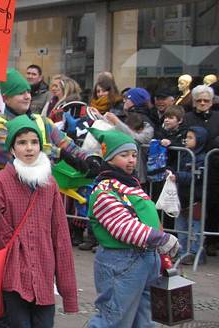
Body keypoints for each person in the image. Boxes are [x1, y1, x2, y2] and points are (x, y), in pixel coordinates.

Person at [0, 115, 78, 327]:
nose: (29, 148)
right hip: (11, 276)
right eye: (22, 143)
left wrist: (68, 292)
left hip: (43, 272)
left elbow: (61, 237)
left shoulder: (49, 185)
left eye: (34, 142)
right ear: (11, 149)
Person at [86, 128, 180, 327]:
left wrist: (161, 245)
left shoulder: (130, 184)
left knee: (145, 320)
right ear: (109, 158)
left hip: (146, 258)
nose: (131, 160)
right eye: (124, 155)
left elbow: (147, 217)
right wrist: (160, 239)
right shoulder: (105, 189)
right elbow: (123, 226)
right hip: (121, 262)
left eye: (134, 154)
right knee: (114, 320)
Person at [0, 69, 88, 178]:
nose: (27, 97)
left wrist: (90, 158)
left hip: (41, 189)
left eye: (28, 92)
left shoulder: (43, 121)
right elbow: (21, 154)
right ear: (6, 98)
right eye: (20, 93)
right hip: (5, 189)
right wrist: (59, 153)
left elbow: (68, 145)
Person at [182, 85, 219, 256]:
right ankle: (190, 246)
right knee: (192, 206)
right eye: (199, 100)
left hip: (214, 167)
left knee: (213, 204)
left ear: (212, 102)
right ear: (194, 101)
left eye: (206, 100)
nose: (203, 103)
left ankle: (211, 242)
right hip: (192, 166)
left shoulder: (217, 117)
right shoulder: (188, 117)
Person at [168, 126, 208, 265]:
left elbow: (196, 176)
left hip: (196, 198)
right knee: (181, 227)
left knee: (195, 228)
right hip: (182, 197)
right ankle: (182, 251)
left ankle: (196, 253)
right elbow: (176, 167)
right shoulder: (183, 154)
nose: (187, 140)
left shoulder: (202, 158)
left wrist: (178, 176)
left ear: (200, 140)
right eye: (187, 137)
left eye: (191, 138)